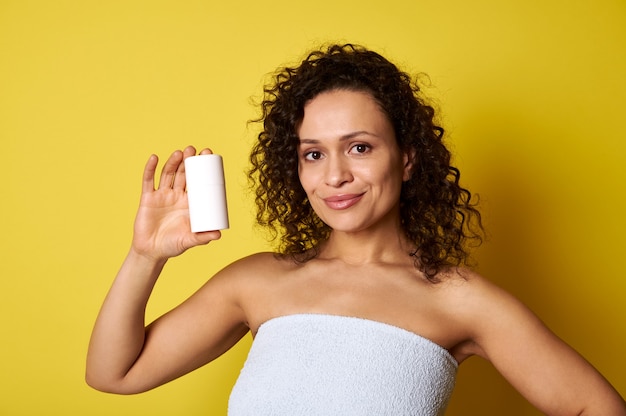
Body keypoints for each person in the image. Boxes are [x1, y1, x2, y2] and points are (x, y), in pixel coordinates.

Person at [86, 43, 626, 415]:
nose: (336, 175)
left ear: (408, 158)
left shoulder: (461, 301)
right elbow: (114, 373)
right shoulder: (255, 283)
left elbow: (595, 406)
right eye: (313, 154)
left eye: (360, 147)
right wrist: (145, 256)